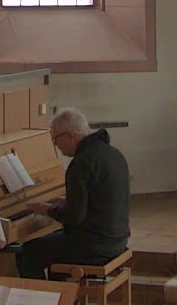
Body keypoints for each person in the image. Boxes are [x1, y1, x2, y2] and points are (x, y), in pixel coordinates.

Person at [15, 107, 130, 280]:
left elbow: (75, 216)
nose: (55, 144)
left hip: (94, 246)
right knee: (53, 253)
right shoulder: (113, 154)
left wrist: (47, 209)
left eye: (55, 139)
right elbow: (101, 197)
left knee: (26, 254)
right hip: (117, 239)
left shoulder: (81, 163)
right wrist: (66, 201)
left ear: (70, 135)